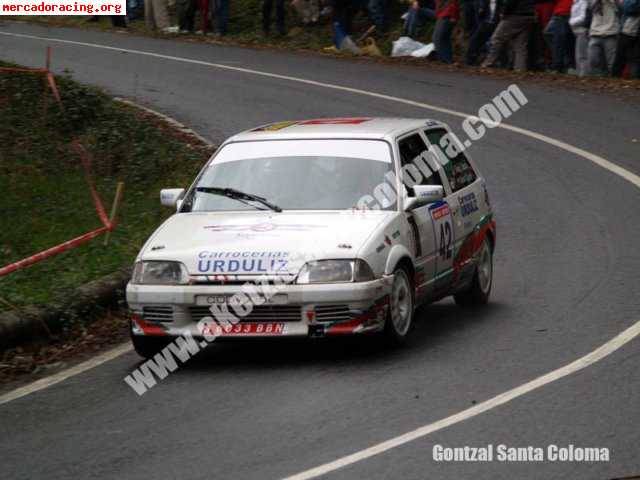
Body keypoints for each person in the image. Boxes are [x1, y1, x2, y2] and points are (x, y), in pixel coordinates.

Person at [481, 0, 536, 71]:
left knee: (497, 38)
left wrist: (503, 12)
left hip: (514, 15)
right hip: (529, 15)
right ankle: (520, 69)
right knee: (520, 45)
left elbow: (510, 2)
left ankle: (488, 64)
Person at [588, 0, 621, 75]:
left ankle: (611, 81)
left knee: (611, 63)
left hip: (611, 34)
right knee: (593, 60)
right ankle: (596, 81)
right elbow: (589, 7)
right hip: (595, 33)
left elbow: (620, 10)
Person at [466, 0, 502, 64]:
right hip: (485, 24)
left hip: (496, 25)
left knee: (494, 43)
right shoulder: (484, 2)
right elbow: (479, 15)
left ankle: (496, 62)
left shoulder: (500, 3)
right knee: (475, 41)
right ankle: (470, 60)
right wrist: (481, 24)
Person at [544, 0, 575, 71]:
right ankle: (564, 63)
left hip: (564, 13)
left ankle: (559, 65)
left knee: (559, 40)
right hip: (560, 13)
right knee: (550, 34)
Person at [612, 0, 640, 77]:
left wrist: (624, 4)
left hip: (631, 31)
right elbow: (623, 8)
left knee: (634, 60)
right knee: (620, 60)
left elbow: (630, 8)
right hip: (626, 31)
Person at [570, 0, 592, 75]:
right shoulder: (576, 1)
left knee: (582, 55)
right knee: (579, 55)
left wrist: (571, 22)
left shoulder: (584, 2)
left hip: (582, 30)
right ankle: (580, 74)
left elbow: (583, 17)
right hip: (577, 31)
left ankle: (583, 75)